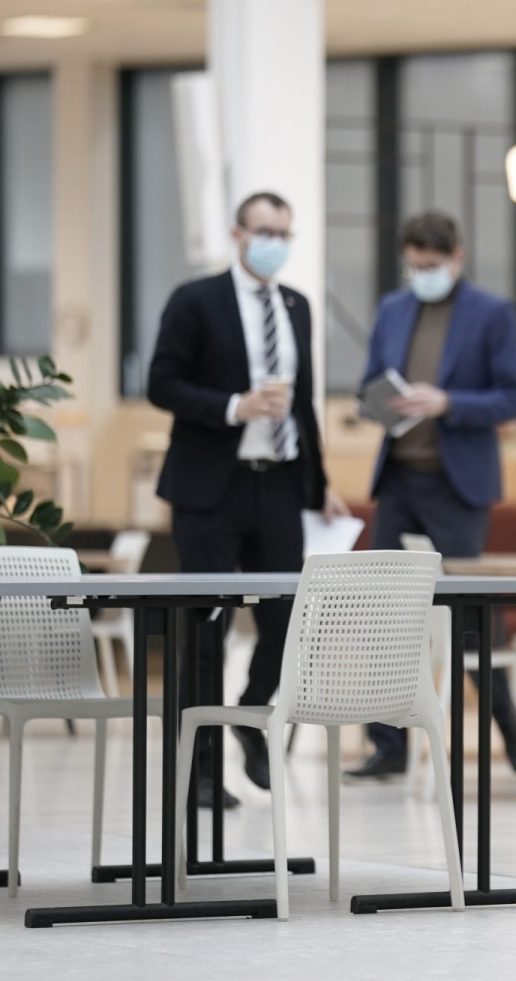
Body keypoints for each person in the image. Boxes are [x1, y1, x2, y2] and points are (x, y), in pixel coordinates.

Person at [148, 191, 350, 808]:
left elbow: (304, 400)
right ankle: (202, 768)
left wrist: (320, 482)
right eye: (264, 231)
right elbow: (161, 383)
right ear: (238, 234)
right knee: (206, 627)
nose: (274, 244)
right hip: (211, 487)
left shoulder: (296, 305)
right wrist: (235, 406)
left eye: (284, 234)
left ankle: (250, 716)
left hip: (279, 483)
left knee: (287, 620)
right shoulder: (196, 300)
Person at [346, 210, 516, 781]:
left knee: (471, 617)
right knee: (384, 616)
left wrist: (447, 403)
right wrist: (378, 404)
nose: (422, 274)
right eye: (414, 266)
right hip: (399, 477)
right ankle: (388, 745)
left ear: (457, 257)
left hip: (457, 484)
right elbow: (367, 385)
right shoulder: (392, 309)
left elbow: (512, 397)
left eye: (431, 264)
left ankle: (513, 733)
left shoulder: (491, 312)